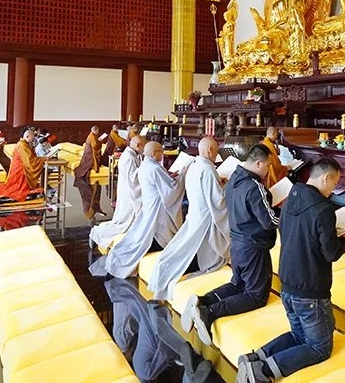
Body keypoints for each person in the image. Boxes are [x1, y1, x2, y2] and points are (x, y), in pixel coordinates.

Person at [237, 158, 345, 382]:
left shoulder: (292, 196)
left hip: (287, 281)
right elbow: (330, 253)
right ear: (325, 178)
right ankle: (263, 371)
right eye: (334, 183)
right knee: (319, 347)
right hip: (310, 289)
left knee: (299, 335)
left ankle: (255, 358)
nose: (334, 189)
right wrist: (343, 239)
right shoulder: (323, 209)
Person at [184, 144, 278, 346]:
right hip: (253, 245)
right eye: (267, 165)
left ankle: (204, 300)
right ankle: (209, 312)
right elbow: (268, 221)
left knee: (238, 284)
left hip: (237, 242)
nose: (268, 169)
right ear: (258, 163)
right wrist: (287, 215)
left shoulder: (235, 178)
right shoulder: (254, 186)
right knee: (256, 295)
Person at [147, 137, 229, 301]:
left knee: (185, 244)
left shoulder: (195, 165)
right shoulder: (207, 169)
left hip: (196, 212)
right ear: (210, 150)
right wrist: (228, 189)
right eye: (216, 150)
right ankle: (171, 270)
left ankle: (164, 270)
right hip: (206, 215)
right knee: (203, 249)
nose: (216, 154)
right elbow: (217, 200)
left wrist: (218, 183)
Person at [92, 141, 185, 278]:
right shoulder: (154, 168)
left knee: (142, 235)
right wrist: (182, 175)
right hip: (157, 210)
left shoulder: (146, 165)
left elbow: (160, 181)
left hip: (149, 206)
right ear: (154, 154)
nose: (163, 153)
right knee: (156, 237)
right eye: (161, 151)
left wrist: (168, 177)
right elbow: (171, 190)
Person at [90, 135, 147, 251]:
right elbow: (133, 177)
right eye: (143, 146)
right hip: (129, 192)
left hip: (129, 189)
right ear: (137, 146)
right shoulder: (129, 157)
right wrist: (146, 169)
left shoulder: (133, 154)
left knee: (128, 219)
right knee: (123, 222)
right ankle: (97, 233)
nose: (144, 149)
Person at [0, 127, 47, 205]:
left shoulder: (24, 144)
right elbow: (30, 161)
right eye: (33, 137)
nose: (34, 139)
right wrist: (43, 159)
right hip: (21, 172)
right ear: (27, 137)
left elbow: (31, 157)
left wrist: (33, 148)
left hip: (19, 170)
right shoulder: (22, 145)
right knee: (19, 191)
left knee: (37, 190)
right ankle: (4, 199)